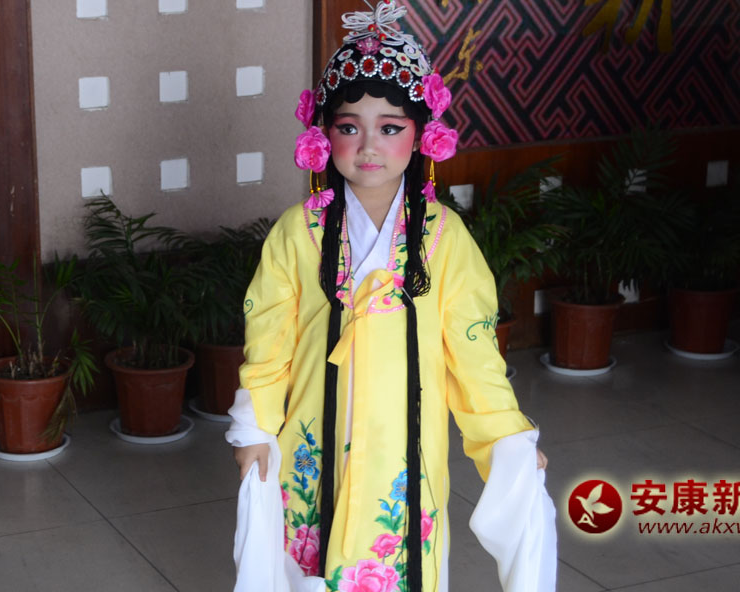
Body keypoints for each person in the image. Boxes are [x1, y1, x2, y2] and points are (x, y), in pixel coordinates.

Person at [226, 2, 555, 591]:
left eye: (390, 128)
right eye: (349, 127)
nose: (368, 147)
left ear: (423, 134)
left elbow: (474, 356)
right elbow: (269, 342)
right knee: (310, 568)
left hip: (406, 453)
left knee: (402, 564)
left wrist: (507, 438)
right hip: (314, 445)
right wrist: (254, 428)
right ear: (323, 133)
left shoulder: (445, 238)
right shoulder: (298, 233)